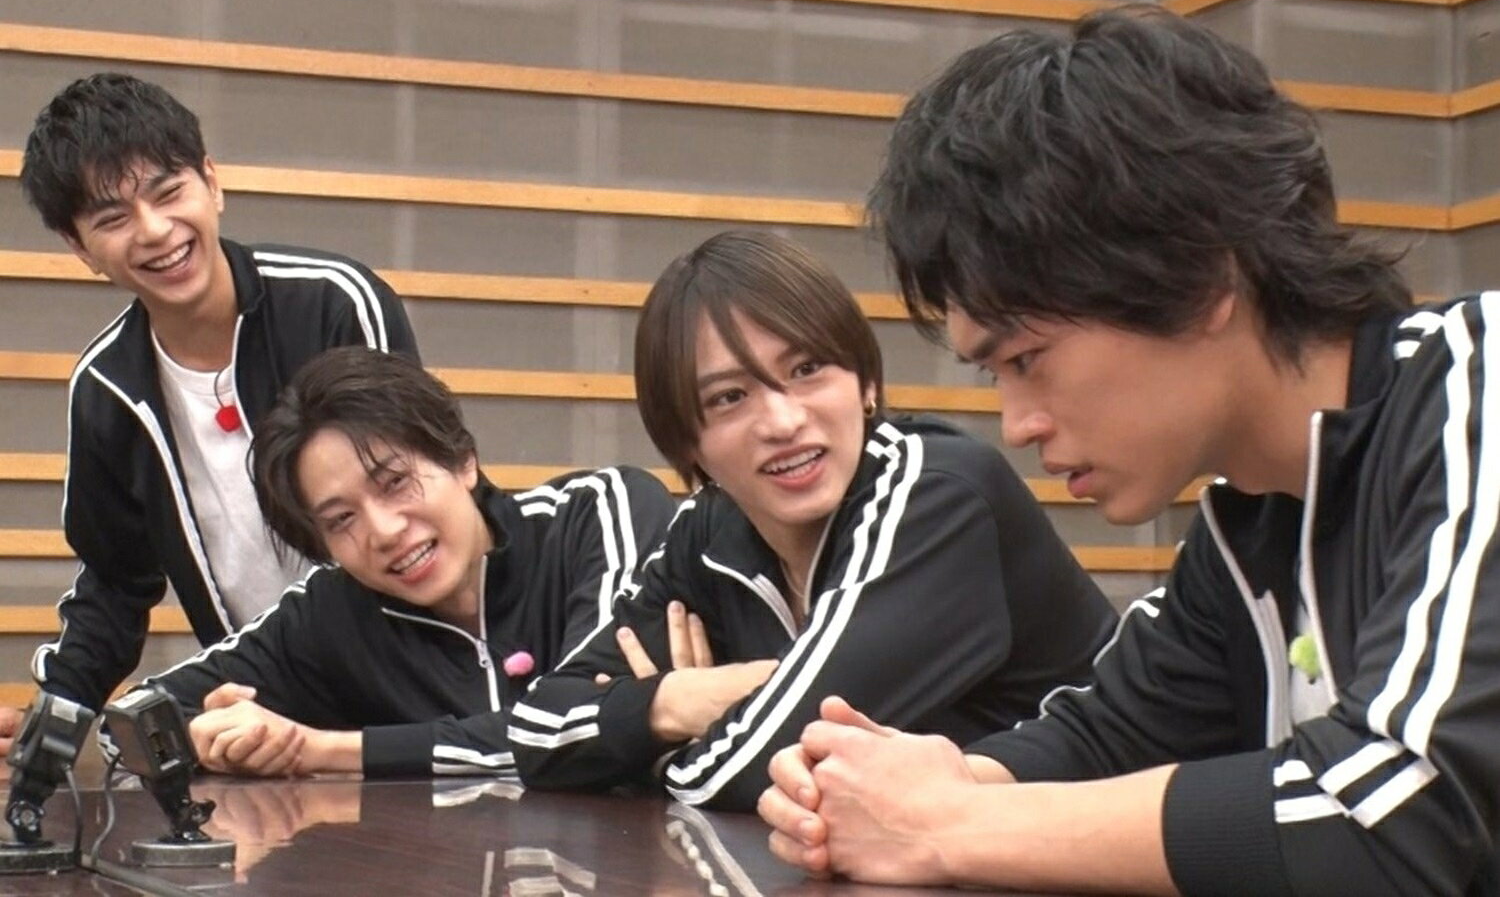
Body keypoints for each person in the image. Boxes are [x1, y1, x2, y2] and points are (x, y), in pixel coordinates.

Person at [757, 7, 1500, 896]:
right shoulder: (1253, 516)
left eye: (1027, 359)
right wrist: (913, 787)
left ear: (1201, 273)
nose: (1018, 425)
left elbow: (1402, 819)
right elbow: (1107, 737)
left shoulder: (1478, 390)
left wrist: (946, 824)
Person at [508, 230, 1115, 811]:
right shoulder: (708, 534)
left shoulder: (935, 493)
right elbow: (536, 731)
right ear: (687, 444)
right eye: (729, 397)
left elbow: (757, 771)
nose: (783, 422)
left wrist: (650, 753)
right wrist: (680, 701)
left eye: (806, 370)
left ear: (866, 383)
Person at [0, 72, 421, 754]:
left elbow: (412, 501)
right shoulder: (106, 388)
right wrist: (55, 718)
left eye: (169, 193)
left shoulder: (334, 303)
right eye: (112, 219)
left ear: (212, 183)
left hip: (418, 687)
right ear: (80, 249)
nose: (154, 231)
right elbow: (115, 584)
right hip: (261, 719)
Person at [120, 346, 675, 778]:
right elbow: (131, 723)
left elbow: (577, 721)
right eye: (341, 520)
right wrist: (203, 738)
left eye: (394, 482)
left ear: (462, 459)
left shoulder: (598, 514)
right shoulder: (332, 613)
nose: (383, 531)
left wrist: (325, 750)